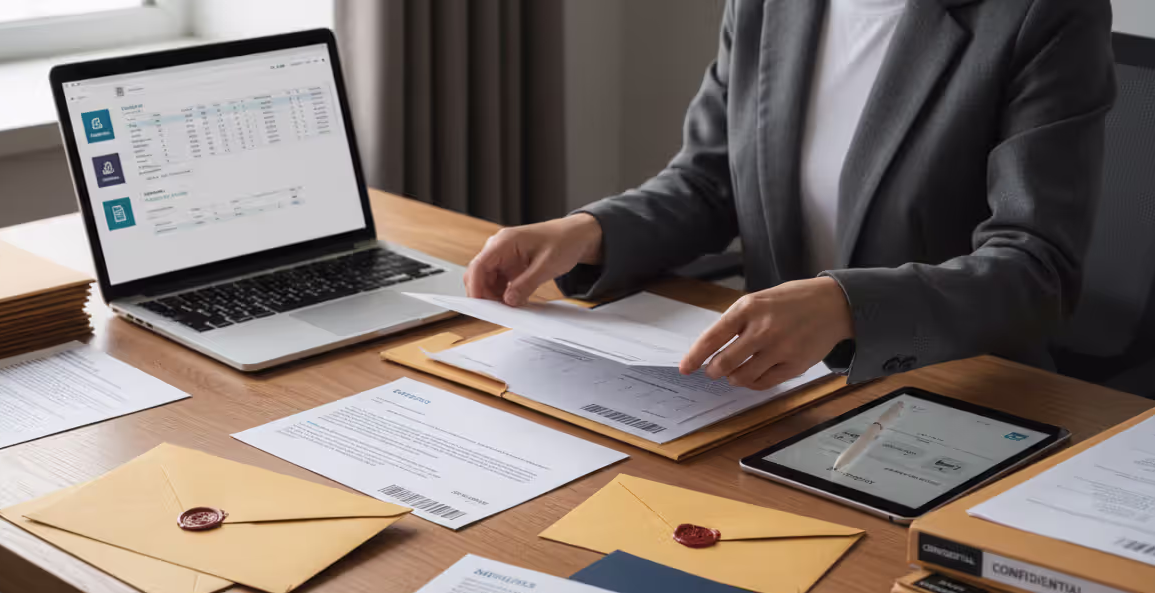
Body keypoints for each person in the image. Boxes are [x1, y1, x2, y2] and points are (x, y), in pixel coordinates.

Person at [463, 0, 1116, 389]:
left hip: (950, 391)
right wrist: (588, 232)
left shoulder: (1046, 12)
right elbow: (712, 179)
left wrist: (848, 306)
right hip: (766, 390)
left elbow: (1038, 268)